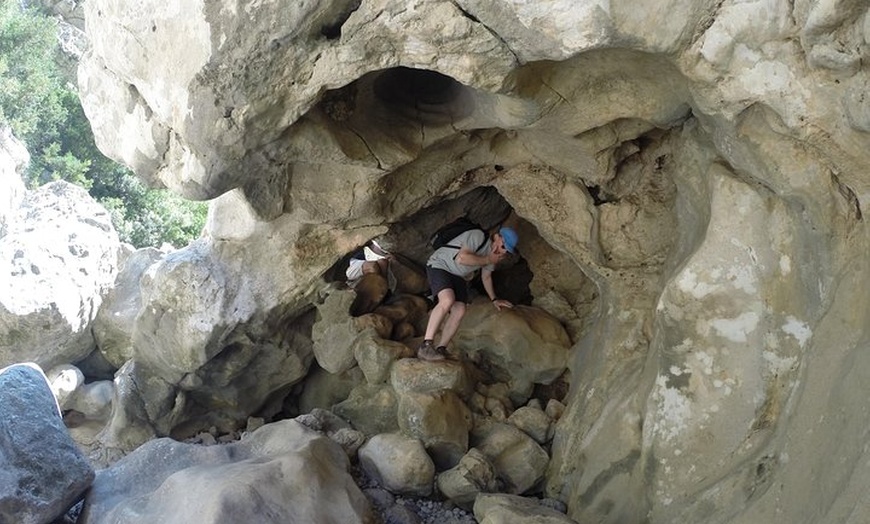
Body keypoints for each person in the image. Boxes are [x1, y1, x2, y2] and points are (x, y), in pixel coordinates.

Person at [418, 226, 519, 361]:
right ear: (496, 237)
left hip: (457, 275)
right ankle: (426, 346)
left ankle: (441, 349)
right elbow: (462, 258)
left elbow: (486, 277)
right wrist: (488, 260)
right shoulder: (477, 236)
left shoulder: (493, 258)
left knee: (460, 310)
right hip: (440, 265)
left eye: (506, 250)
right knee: (447, 300)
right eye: (503, 245)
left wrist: (494, 299)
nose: (502, 251)